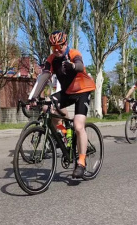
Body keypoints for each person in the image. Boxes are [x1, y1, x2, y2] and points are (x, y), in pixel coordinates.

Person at [28, 31, 96, 178]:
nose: (57, 50)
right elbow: (44, 77)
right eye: (53, 47)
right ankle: (61, 134)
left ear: (65, 44)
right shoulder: (51, 59)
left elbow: (79, 65)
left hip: (83, 91)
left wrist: (72, 66)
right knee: (46, 106)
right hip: (67, 92)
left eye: (59, 46)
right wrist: (33, 97)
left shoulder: (73, 53)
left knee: (78, 126)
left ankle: (81, 163)